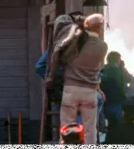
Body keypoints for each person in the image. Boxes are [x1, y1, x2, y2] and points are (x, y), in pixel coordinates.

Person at [46, 13, 108, 144]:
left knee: (66, 127)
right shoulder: (103, 46)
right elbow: (99, 68)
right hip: (90, 91)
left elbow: (63, 57)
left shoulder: (75, 40)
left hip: (70, 88)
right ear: (99, 28)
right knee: (90, 129)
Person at [101, 51, 131, 130]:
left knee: (111, 125)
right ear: (117, 60)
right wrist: (122, 68)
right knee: (118, 126)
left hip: (105, 104)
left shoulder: (102, 69)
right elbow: (130, 79)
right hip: (117, 103)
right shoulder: (119, 71)